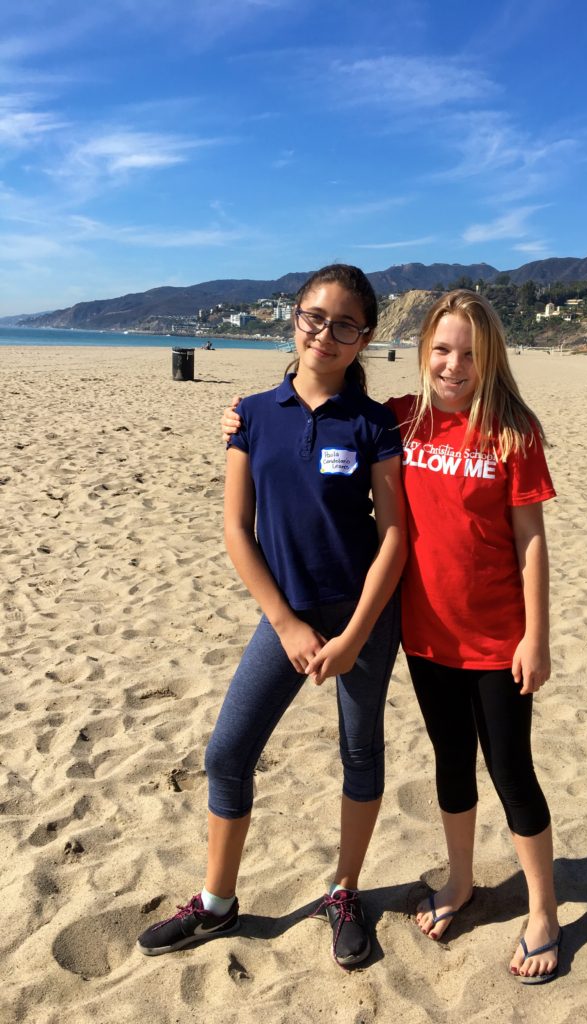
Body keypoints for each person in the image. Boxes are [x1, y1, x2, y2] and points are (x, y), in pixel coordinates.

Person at [221, 288, 561, 983]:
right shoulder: (405, 420)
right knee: (450, 764)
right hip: (427, 635)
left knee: (512, 773)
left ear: (489, 356)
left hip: (498, 639)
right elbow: (337, 416)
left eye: (468, 352)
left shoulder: (511, 430)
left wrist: (537, 636)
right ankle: (461, 881)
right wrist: (241, 415)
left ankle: (543, 911)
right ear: (420, 353)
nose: (453, 364)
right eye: (440, 349)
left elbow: (532, 543)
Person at [138, 264, 407, 969]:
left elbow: (396, 536)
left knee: (360, 752)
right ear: (294, 319)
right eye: (315, 317)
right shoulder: (253, 415)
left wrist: (351, 638)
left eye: (345, 324)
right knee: (227, 753)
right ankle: (218, 905)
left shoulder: (375, 422)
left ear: (364, 338)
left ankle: (345, 893)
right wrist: (286, 624)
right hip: (285, 612)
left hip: (363, 618)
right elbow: (236, 528)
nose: (326, 332)